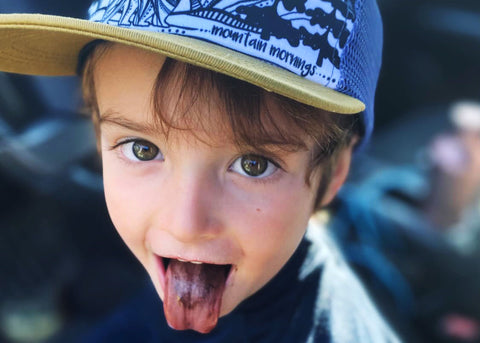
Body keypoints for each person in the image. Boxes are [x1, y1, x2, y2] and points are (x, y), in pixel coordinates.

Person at [0, 0, 399, 341]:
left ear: (336, 172)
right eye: (143, 149)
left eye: (253, 165)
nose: (185, 224)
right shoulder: (195, 270)